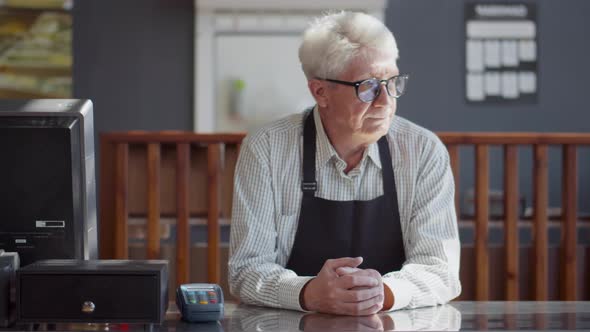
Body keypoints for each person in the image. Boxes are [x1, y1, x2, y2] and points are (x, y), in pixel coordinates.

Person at [228, 11, 461, 316]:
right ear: (320, 92)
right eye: (369, 87)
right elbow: (246, 270)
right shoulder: (266, 149)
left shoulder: (423, 151)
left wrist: (385, 293)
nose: (385, 101)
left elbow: (440, 270)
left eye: (393, 83)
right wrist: (308, 292)